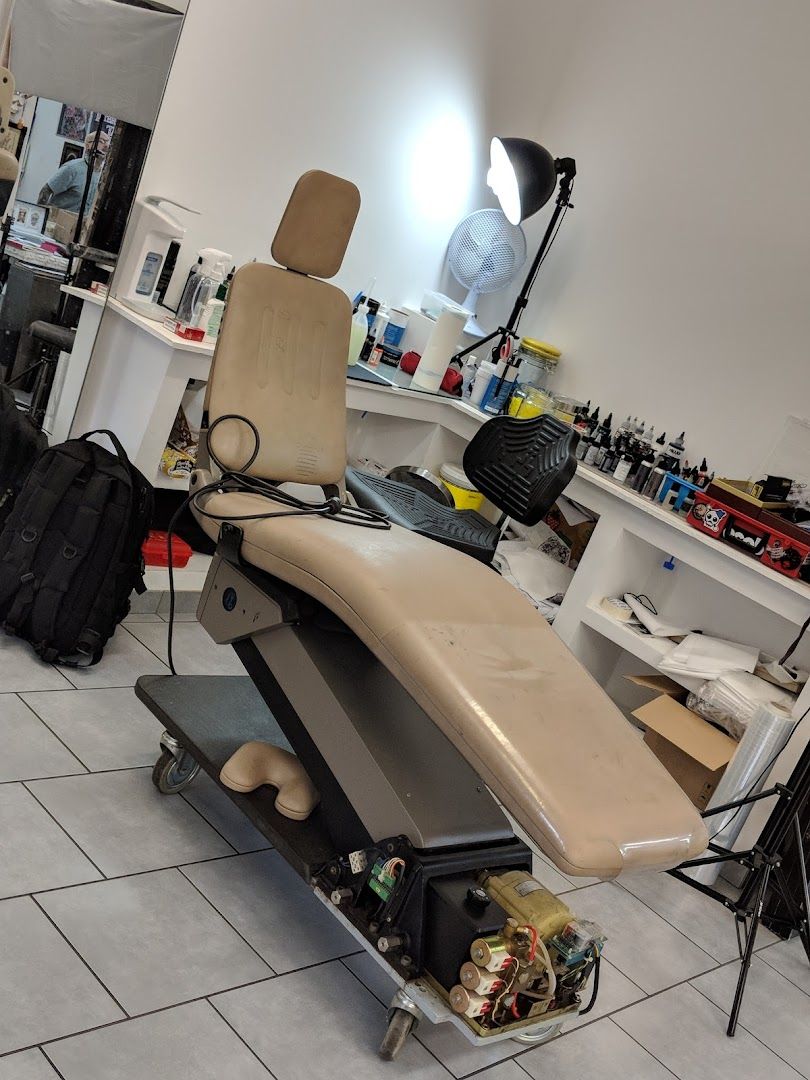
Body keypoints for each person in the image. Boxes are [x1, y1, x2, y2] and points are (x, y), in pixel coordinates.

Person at [38, 128, 111, 213]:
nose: (106, 146)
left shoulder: (103, 177)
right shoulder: (72, 168)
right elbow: (46, 191)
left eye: (108, 142)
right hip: (58, 221)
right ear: (88, 146)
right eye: (101, 141)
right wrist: (41, 216)